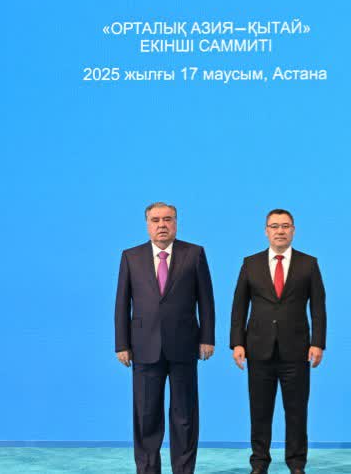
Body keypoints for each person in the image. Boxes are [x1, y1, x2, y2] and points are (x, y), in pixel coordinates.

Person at [114, 202, 216, 474]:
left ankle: (183, 469)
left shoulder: (194, 254)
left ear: (176, 223)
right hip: (143, 346)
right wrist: (122, 344)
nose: (162, 225)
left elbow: (206, 300)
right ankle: (148, 469)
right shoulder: (131, 257)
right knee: (146, 415)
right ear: (147, 224)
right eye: (156, 220)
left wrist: (207, 337)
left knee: (184, 416)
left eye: (168, 219)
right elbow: (122, 303)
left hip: (184, 345)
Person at [230, 209, 327, 474]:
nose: (280, 231)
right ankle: (259, 462)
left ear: (293, 230)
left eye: (285, 226)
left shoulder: (309, 264)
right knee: (259, 411)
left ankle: (296, 463)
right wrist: (237, 343)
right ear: (266, 231)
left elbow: (318, 307)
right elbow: (239, 307)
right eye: (274, 226)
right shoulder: (250, 263)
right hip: (258, 349)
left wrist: (318, 342)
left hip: (296, 350)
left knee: (296, 411)